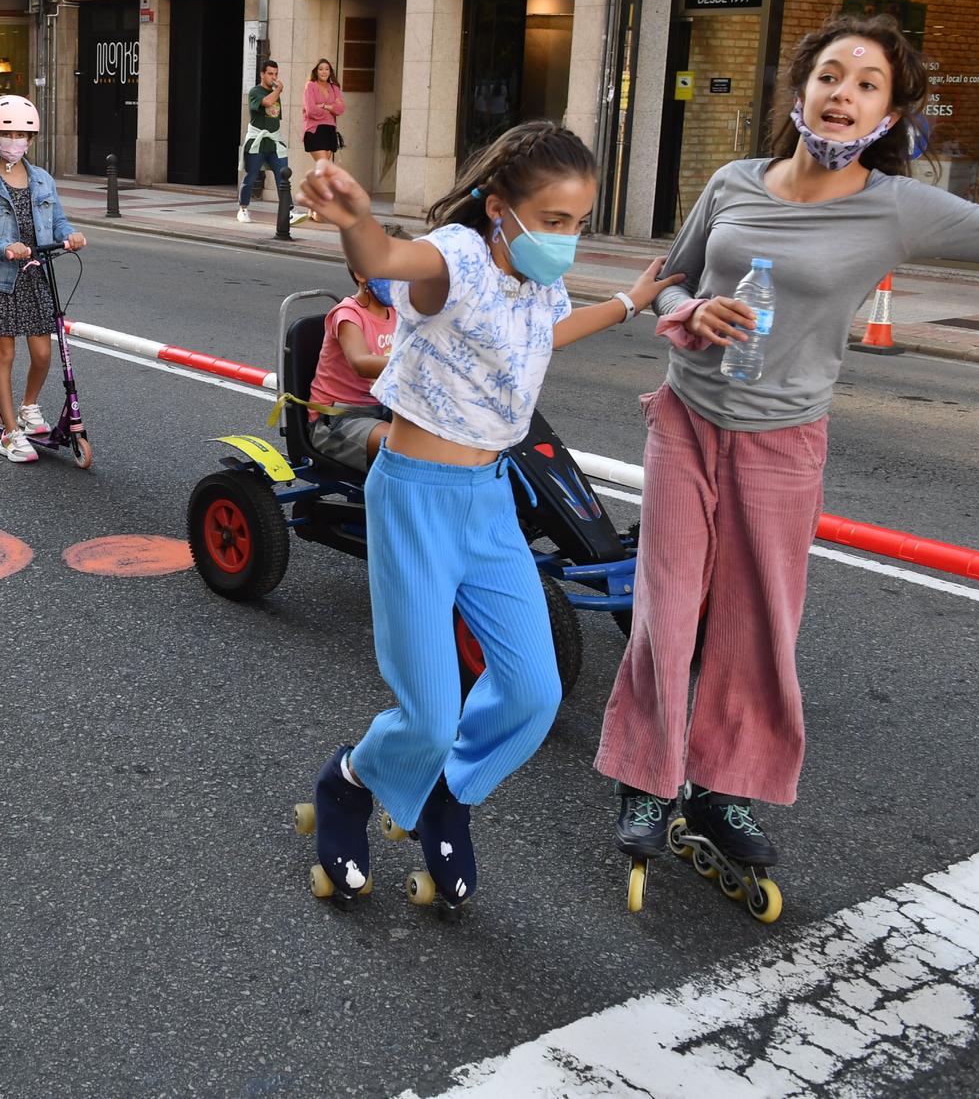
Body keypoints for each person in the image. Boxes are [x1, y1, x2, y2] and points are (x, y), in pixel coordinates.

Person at [595, 13, 979, 880]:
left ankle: (723, 787)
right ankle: (646, 777)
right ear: (801, 89)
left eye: (867, 83)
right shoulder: (732, 182)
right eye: (830, 75)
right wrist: (686, 313)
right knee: (667, 604)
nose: (843, 94)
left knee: (758, 623)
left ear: (888, 115)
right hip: (686, 423)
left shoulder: (895, 209)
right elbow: (669, 279)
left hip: (783, 441)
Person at [288, 123, 678, 909]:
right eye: (556, 221)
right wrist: (359, 219)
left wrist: (630, 303)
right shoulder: (458, 259)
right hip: (415, 497)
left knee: (533, 691)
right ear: (500, 209)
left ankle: (447, 796)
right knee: (428, 711)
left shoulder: (535, 284)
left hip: (489, 499)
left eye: (580, 222)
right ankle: (351, 783)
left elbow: (544, 338)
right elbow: (389, 261)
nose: (568, 239)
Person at [0, 94, 85, 464]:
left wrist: (72, 234)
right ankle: (10, 432)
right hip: (1, 279)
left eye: (23, 136)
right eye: (8, 133)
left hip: (36, 277)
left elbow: (58, 221)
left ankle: (28, 406)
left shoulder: (42, 180)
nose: (16, 142)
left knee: (44, 353)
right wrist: (3, 248)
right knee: (5, 352)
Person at [306, 224, 409, 472]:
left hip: (385, 408)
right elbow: (360, 362)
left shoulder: (398, 311)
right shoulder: (348, 315)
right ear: (362, 272)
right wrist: (414, 362)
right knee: (403, 447)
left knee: (449, 436)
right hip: (339, 420)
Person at [238, 59, 292, 226]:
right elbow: (267, 103)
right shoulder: (255, 91)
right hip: (257, 142)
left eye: (276, 74)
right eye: (270, 74)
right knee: (252, 175)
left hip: (274, 142)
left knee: (283, 175)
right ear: (262, 74)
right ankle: (243, 208)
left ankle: (288, 210)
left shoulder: (276, 94)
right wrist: (279, 89)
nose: (274, 77)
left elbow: (274, 117)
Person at [303, 59, 344, 159]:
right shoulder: (310, 86)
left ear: (330, 72)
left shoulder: (335, 88)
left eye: (327, 69)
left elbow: (340, 109)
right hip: (315, 130)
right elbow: (311, 111)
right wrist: (331, 108)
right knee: (324, 166)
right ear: (316, 71)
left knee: (324, 169)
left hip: (330, 130)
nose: (324, 72)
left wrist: (324, 106)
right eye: (320, 69)